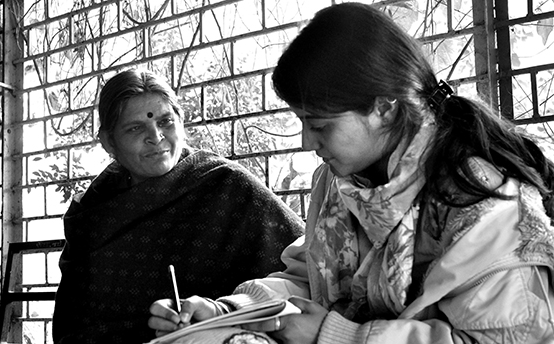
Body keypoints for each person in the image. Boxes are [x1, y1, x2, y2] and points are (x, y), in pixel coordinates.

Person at [147, 3, 554, 344]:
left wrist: (337, 334)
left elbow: (501, 337)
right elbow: (309, 280)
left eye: (321, 125)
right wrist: (225, 311)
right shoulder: (341, 180)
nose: (308, 142)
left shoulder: (479, 197)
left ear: (384, 109)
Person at [52, 69, 304, 344]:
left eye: (166, 122)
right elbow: (74, 322)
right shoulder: (94, 213)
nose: (156, 136)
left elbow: (306, 274)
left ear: (181, 122)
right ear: (109, 141)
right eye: (135, 128)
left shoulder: (228, 187)